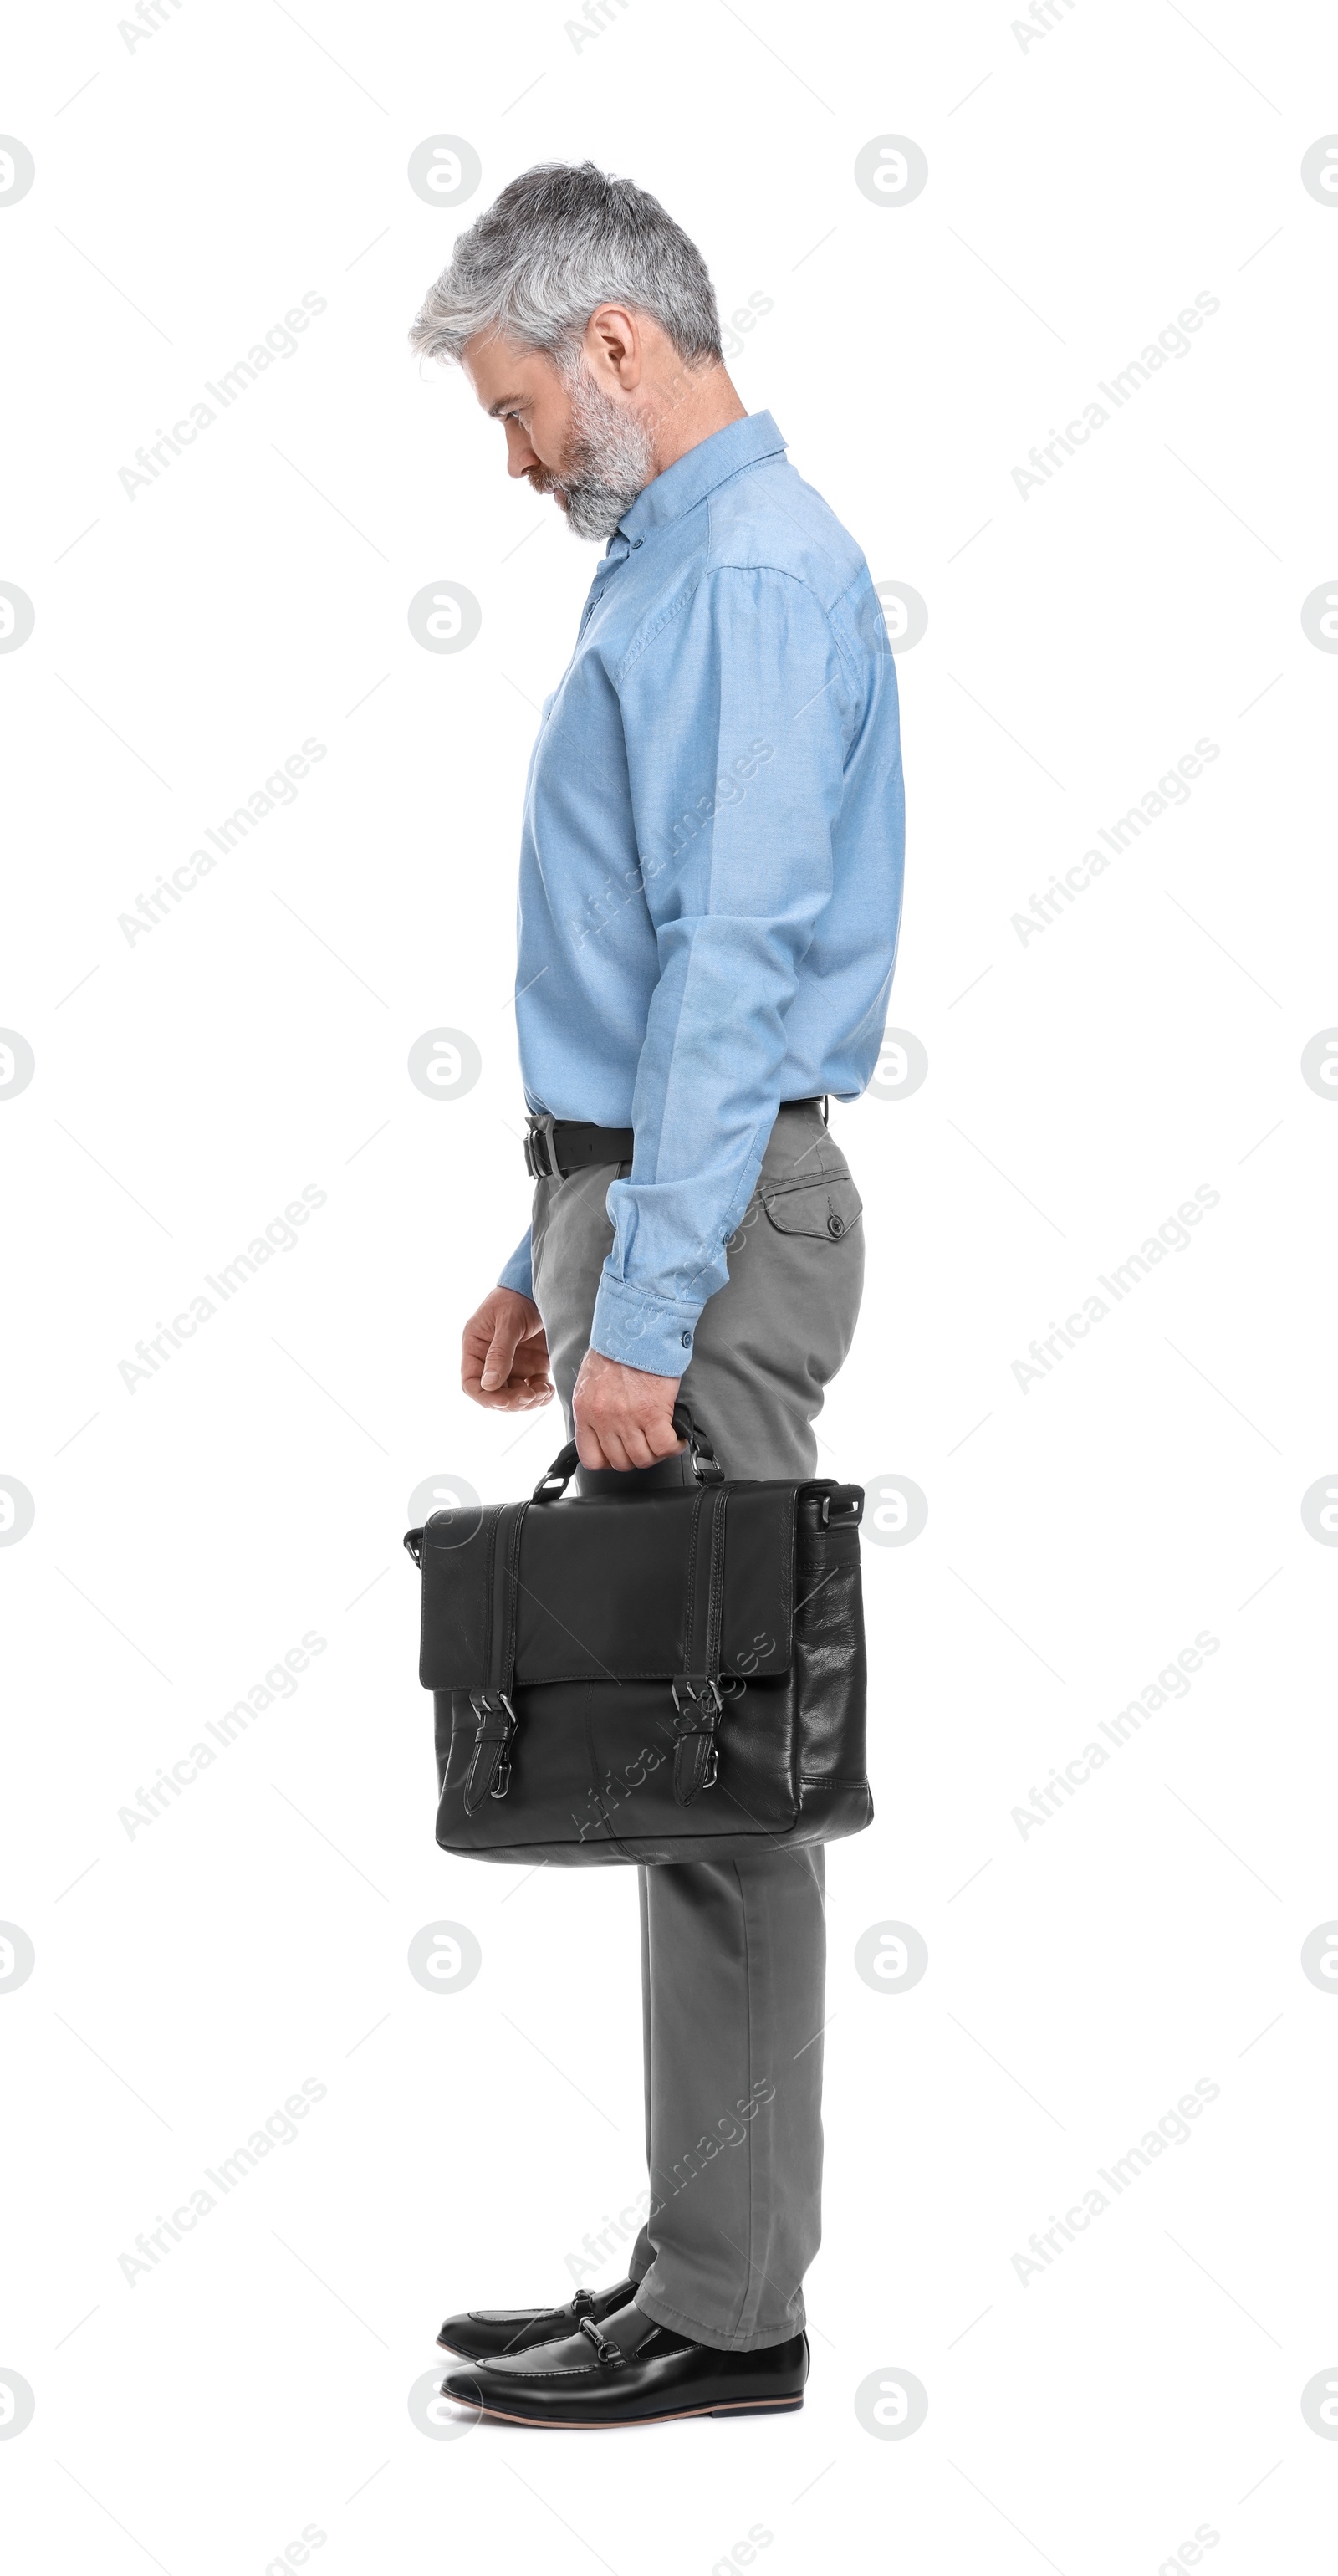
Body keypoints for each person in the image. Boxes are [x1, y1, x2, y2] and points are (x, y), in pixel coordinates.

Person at [409, 161, 904, 2430]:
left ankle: (726, 2310)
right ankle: (702, 2261)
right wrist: (552, 1260)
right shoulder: (684, 569)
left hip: (701, 1234)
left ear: (617, 346)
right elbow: (641, 967)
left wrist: (644, 1304)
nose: (512, 460)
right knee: (684, 1775)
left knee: (713, 1791)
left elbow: (733, 973)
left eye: (517, 408)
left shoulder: (754, 582)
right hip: (643, 1218)